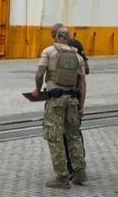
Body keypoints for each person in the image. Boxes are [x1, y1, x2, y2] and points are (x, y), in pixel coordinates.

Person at [34, 25, 87, 189]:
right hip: (73, 101)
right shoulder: (77, 56)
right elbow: (83, 83)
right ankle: (79, 173)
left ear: (55, 36)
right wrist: (81, 107)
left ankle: (62, 178)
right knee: (74, 136)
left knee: (54, 137)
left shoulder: (49, 52)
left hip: (55, 101)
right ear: (68, 37)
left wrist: (37, 89)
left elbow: (40, 73)